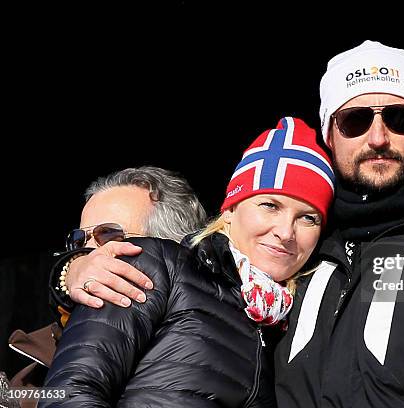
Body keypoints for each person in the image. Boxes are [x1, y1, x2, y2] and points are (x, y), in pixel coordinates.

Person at [49, 41, 404, 407]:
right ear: (331, 133)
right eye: (356, 120)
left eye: (400, 118)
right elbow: (71, 371)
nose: (378, 136)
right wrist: (70, 271)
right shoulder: (302, 261)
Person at [41, 117, 334, 407]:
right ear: (230, 210)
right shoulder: (161, 265)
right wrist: (69, 271)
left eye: (308, 217)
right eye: (269, 205)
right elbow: (70, 393)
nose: (285, 232)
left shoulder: (291, 318)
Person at [8, 166, 207, 408]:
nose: (86, 253)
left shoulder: (207, 349)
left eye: (109, 235)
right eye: (79, 240)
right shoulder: (30, 377)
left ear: (171, 250)